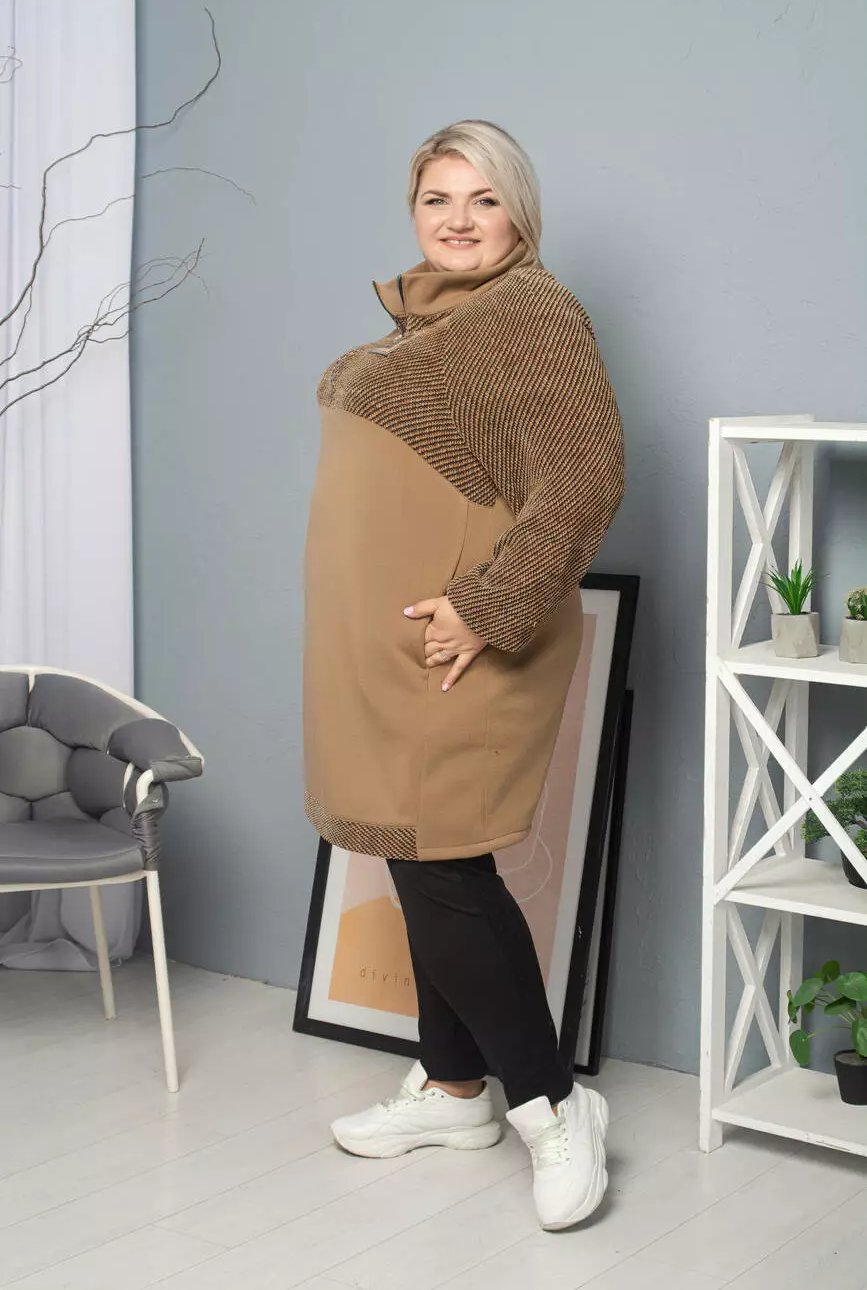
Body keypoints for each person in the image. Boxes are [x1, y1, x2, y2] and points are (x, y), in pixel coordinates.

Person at [302, 119, 625, 1231]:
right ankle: (452, 1090)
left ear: (518, 212)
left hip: (461, 643)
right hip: (381, 650)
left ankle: (553, 1102)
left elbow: (585, 475)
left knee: (444, 863)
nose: (457, 219)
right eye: (437, 198)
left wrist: (485, 609)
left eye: (483, 199)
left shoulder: (529, 313)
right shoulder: (425, 324)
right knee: (414, 852)